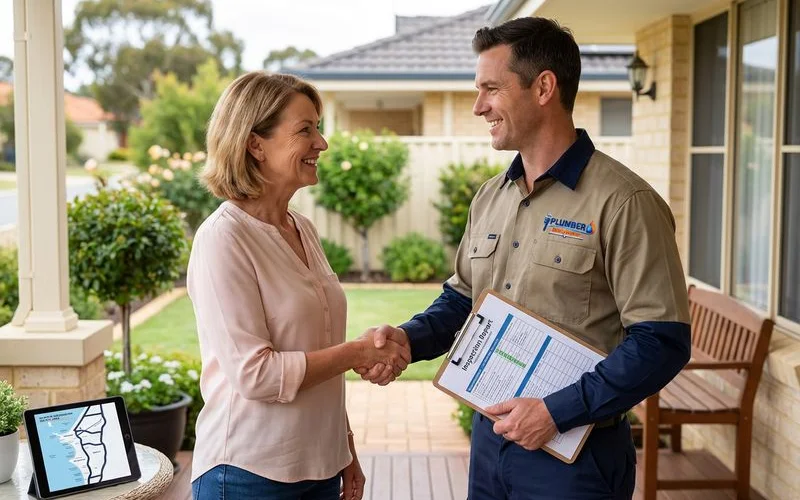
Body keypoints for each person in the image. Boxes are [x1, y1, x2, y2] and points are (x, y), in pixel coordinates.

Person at [358, 17, 692, 499]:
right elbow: (463, 300)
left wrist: (556, 412)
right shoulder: (490, 198)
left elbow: (662, 341)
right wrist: (409, 340)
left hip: (576, 460)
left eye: (491, 88)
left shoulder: (624, 203)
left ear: (543, 87)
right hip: (491, 443)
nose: (479, 107)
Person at [186, 71, 409, 500]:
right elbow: (256, 375)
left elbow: (318, 345)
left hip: (320, 467)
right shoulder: (223, 238)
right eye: (305, 130)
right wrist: (358, 353)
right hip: (248, 474)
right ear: (255, 143)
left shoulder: (301, 228)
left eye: (318, 128)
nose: (321, 143)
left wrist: (345, 448)